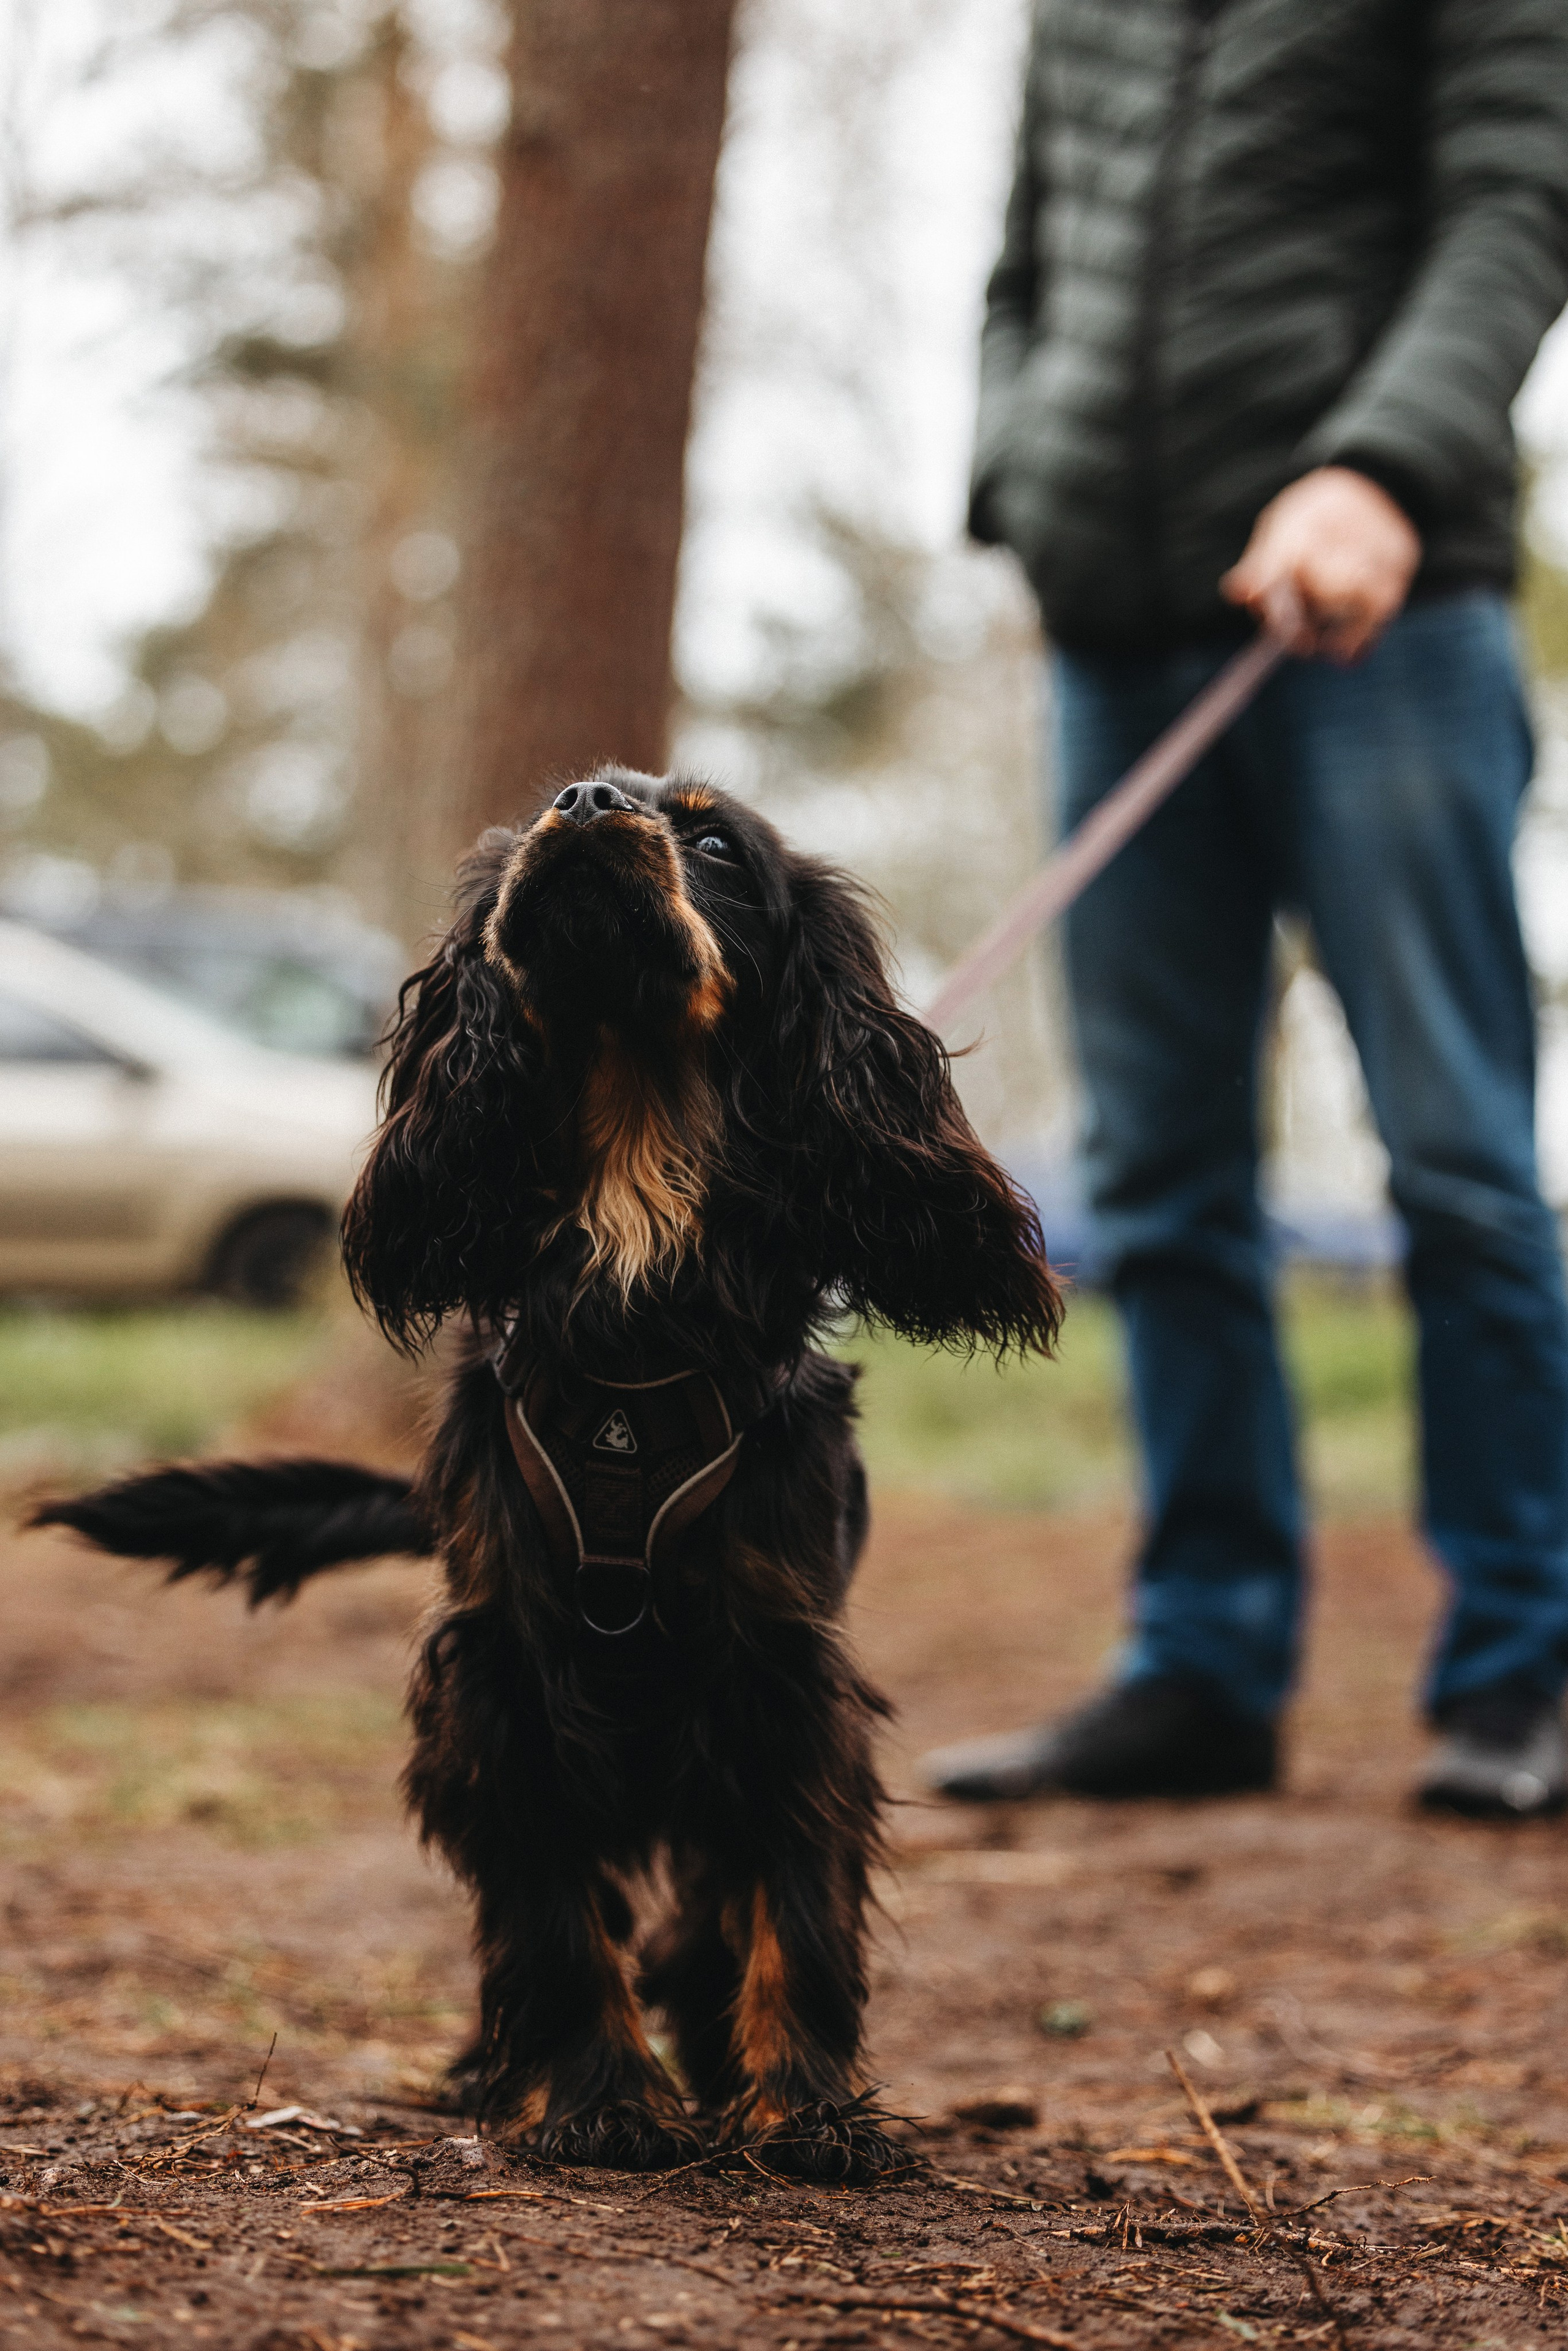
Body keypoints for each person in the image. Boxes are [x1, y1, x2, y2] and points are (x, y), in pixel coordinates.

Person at [921, 0, 1568, 1817]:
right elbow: (1023, 268)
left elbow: (1519, 202)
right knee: (1157, 1182)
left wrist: (1381, 467)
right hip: (1119, 640)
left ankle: (1529, 1663)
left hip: (1387, 624)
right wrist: (1018, 482)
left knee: (1455, 1161)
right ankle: (1203, 1668)